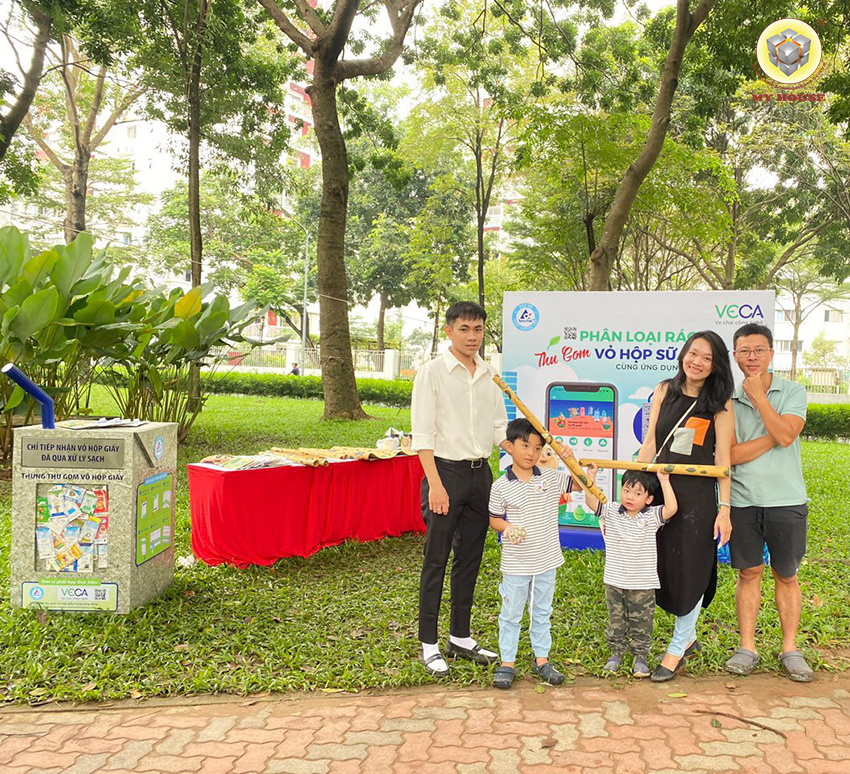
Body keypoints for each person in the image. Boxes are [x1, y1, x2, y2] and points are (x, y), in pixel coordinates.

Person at [411, 301, 508, 677]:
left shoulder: (489, 374)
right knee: (436, 560)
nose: (472, 336)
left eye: (478, 329)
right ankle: (429, 643)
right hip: (445, 475)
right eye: (464, 329)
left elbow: (499, 428)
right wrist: (435, 485)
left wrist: (529, 449)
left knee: (470, 558)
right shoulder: (432, 373)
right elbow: (423, 435)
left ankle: (460, 637)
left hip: (480, 476)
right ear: (449, 331)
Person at [638, 330, 735, 682]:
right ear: (683, 355)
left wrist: (725, 509)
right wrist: (634, 489)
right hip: (662, 492)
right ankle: (689, 636)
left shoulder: (721, 404)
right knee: (663, 565)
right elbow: (651, 442)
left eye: (707, 358)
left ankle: (678, 646)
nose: (697, 362)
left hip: (697, 499)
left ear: (716, 365)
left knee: (692, 568)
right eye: (693, 353)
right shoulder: (665, 389)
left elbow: (723, 460)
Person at [725, 323, 811, 682]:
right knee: (749, 573)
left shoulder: (793, 391)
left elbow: (788, 435)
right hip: (743, 500)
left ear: (771, 353)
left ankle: (790, 648)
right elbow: (729, 454)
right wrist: (774, 436)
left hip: (787, 500)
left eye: (759, 350)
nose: (752, 357)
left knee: (786, 575)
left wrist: (760, 397)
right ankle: (747, 647)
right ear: (735, 356)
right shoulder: (727, 398)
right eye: (744, 351)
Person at [487, 418, 574, 689]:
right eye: (525, 446)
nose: (531, 453)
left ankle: (542, 661)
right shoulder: (500, 486)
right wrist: (509, 528)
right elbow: (494, 519)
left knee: (542, 612)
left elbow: (579, 484)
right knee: (511, 613)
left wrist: (570, 459)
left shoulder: (549, 477)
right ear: (509, 446)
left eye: (537, 448)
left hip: (547, 560)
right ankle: (507, 663)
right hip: (516, 564)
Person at [583, 465, 678, 678]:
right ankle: (615, 654)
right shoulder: (611, 510)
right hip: (615, 580)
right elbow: (591, 501)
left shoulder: (652, 516)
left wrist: (664, 480)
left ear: (649, 499)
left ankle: (640, 657)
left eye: (637, 493)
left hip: (643, 583)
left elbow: (671, 508)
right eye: (626, 490)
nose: (630, 497)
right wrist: (591, 477)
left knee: (642, 623)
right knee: (616, 621)